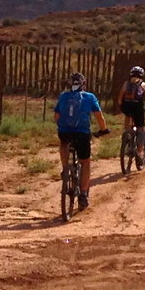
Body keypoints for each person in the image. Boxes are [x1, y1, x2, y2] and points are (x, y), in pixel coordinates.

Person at [54, 72, 109, 209]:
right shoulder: (89, 97)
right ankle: (83, 194)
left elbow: (56, 116)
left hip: (65, 132)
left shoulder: (63, 96)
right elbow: (99, 117)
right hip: (82, 133)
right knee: (85, 162)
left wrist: (62, 127)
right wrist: (103, 129)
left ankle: (65, 168)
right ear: (83, 84)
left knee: (64, 143)